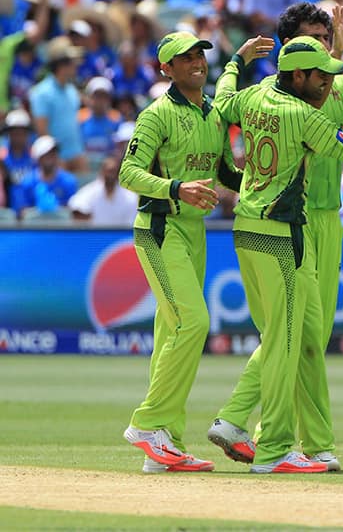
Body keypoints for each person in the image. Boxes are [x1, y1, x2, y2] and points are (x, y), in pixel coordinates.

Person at [207, 1, 343, 472]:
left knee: (302, 337)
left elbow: (222, 100)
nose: (327, 59)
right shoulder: (307, 113)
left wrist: (235, 62)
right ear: (293, 62)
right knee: (287, 337)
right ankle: (260, 434)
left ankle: (313, 442)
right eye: (317, 48)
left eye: (329, 43)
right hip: (288, 229)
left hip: (259, 224)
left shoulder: (259, 96)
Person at [119, 31, 244, 474]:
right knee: (194, 323)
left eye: (198, 54)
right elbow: (127, 172)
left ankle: (165, 444)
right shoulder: (156, 115)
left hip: (194, 232)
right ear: (165, 69)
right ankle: (147, 423)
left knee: (171, 334)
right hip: (159, 229)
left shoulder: (212, 113)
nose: (195, 62)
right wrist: (176, 188)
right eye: (183, 58)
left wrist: (259, 184)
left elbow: (226, 171)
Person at [29, 36, 87, 172]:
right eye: (72, 62)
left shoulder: (72, 90)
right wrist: (55, 158)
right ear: (62, 64)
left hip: (76, 155)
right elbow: (42, 130)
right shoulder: (41, 93)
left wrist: (79, 154)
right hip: (56, 160)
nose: (75, 65)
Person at [10, 134, 77, 217]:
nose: (50, 157)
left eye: (53, 153)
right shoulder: (27, 182)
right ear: (37, 157)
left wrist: (56, 212)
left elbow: (72, 212)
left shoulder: (69, 181)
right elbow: (21, 213)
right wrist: (38, 213)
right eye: (46, 154)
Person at [68, 155, 137, 226]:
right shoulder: (89, 191)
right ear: (102, 171)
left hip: (122, 236)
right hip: (95, 235)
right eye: (108, 171)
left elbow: (130, 226)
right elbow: (76, 205)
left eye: (113, 171)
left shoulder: (130, 197)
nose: (110, 175)